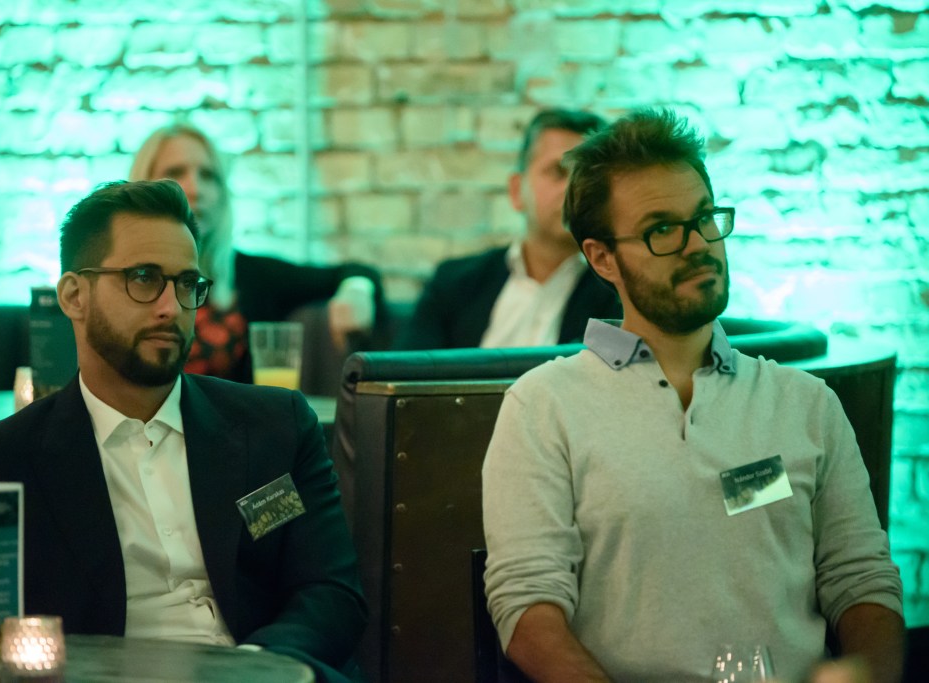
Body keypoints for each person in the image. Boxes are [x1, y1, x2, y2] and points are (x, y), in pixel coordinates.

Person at [481, 109, 905, 683]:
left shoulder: (806, 403)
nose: (698, 244)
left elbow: (862, 580)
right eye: (662, 230)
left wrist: (865, 674)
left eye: (704, 218)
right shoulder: (543, 405)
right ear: (603, 258)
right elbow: (527, 606)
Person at [0, 180, 367, 683]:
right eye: (144, 278)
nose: (172, 307)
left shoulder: (276, 427)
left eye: (187, 283)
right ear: (74, 297)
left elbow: (331, 592)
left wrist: (253, 667)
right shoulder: (3, 460)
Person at [130, 123, 386, 381]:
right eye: (175, 173)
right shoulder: (119, 275)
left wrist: (356, 291)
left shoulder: (252, 274)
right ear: (144, 188)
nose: (196, 189)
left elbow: (353, 271)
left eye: (209, 176)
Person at [395, 108, 621, 350]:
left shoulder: (622, 295)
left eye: (587, 177)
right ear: (516, 191)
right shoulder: (454, 284)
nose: (573, 189)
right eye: (558, 172)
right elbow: (411, 370)